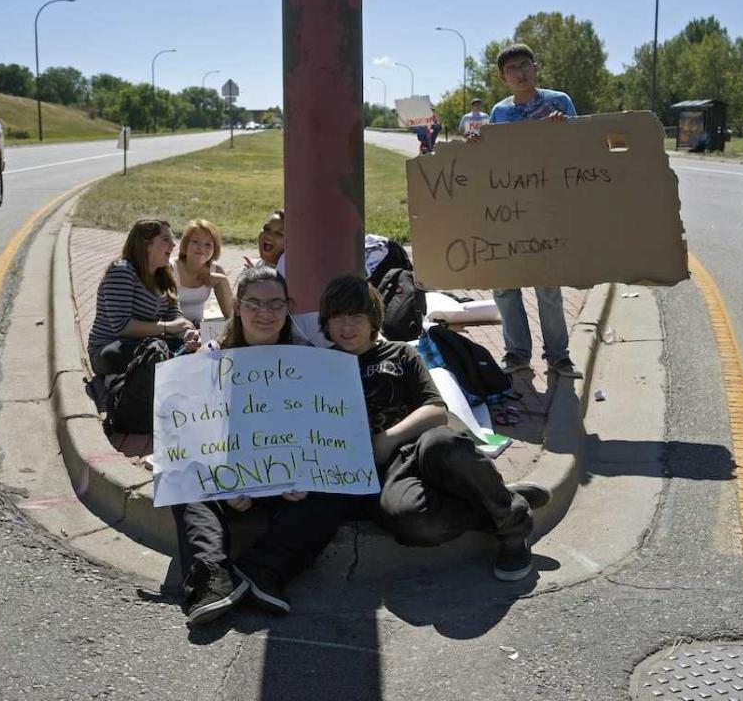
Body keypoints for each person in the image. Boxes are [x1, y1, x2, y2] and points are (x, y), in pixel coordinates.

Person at [318, 275, 551, 581]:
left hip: (421, 447)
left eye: (356, 317)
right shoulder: (320, 366)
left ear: (373, 319)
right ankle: (496, 502)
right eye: (338, 318)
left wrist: (388, 438)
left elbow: (435, 410)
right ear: (326, 322)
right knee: (410, 522)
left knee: (444, 444)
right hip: (382, 473)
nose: (346, 327)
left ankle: (512, 526)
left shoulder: (400, 354)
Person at [172, 266, 348, 626]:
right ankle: (212, 578)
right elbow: (193, 435)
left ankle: (262, 571)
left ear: (288, 307)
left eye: (275, 304)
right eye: (254, 304)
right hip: (228, 483)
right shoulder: (210, 357)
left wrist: (307, 476)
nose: (265, 313)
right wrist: (224, 481)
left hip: (290, 489)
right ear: (237, 306)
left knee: (338, 487)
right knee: (180, 473)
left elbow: (326, 433)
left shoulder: (311, 360)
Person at [487, 43, 581, 378]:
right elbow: (492, 160)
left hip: (547, 207)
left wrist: (564, 130)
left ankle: (558, 356)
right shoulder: (499, 113)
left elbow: (580, 151)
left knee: (547, 284)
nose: (520, 73)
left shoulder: (560, 102)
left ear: (536, 67)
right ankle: (517, 355)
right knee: (505, 285)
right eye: (512, 69)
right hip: (508, 209)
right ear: (503, 77)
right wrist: (475, 147)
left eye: (525, 65)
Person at [87, 218, 200, 376]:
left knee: (193, 350)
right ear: (146, 244)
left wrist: (186, 334)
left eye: (172, 240)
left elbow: (175, 317)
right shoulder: (122, 271)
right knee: (147, 354)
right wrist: (167, 327)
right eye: (166, 239)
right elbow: (122, 326)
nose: (173, 245)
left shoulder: (165, 276)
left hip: (150, 345)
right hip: (110, 347)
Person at [173, 219, 233, 327]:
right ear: (186, 244)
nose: (201, 248)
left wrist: (222, 280)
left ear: (215, 249)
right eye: (195, 241)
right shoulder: (171, 268)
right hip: (172, 330)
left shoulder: (216, 270)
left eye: (208, 244)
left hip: (198, 330)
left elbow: (230, 314)